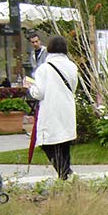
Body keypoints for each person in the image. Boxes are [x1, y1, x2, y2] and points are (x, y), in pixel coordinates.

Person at [28, 35, 78, 180]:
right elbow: (73, 87)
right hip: (67, 107)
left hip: (50, 108)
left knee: (47, 143)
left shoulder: (43, 69)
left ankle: (65, 173)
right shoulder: (72, 66)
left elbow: (39, 93)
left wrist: (30, 88)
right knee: (64, 143)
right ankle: (66, 173)